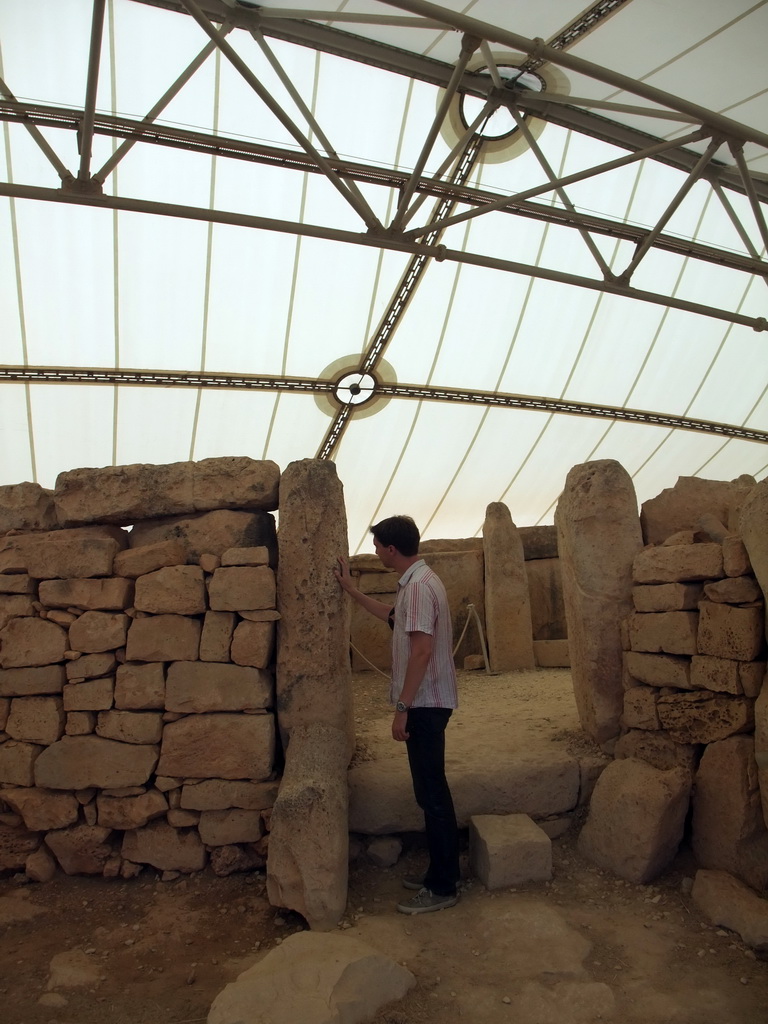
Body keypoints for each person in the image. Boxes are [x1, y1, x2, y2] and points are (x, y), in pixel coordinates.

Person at [336, 515, 460, 915]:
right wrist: (352, 592)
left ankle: (444, 886)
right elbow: (392, 617)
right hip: (426, 702)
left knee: (433, 795)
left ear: (391, 549)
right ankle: (441, 872)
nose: (374, 552)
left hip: (425, 704)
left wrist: (401, 709)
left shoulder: (420, 588)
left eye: (377, 546)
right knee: (428, 793)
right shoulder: (417, 584)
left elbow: (422, 651)